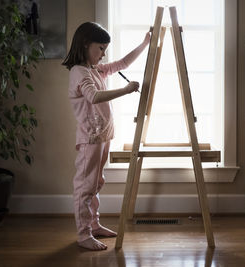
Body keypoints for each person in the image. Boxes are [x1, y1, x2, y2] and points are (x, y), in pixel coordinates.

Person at [62, 22, 150, 251]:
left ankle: (94, 224)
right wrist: (126, 90)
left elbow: (123, 63)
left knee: (97, 182)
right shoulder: (78, 72)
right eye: (100, 48)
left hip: (103, 136)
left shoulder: (96, 69)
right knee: (85, 185)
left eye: (105, 49)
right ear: (85, 45)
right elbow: (93, 97)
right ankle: (84, 234)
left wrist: (145, 44)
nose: (103, 54)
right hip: (90, 138)